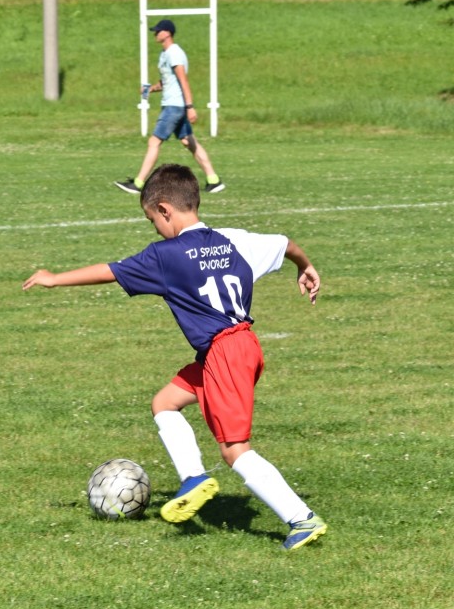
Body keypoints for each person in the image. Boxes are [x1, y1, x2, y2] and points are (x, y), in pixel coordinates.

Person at [24, 164, 327, 550]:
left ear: (165, 209)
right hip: (240, 347)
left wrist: (54, 278)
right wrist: (305, 266)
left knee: (235, 450)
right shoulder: (233, 240)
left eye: (153, 220)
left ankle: (301, 519)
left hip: (224, 353)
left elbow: (110, 271)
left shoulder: (165, 255)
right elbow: (285, 244)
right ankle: (193, 478)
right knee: (165, 402)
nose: (155, 229)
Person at [115, 19, 225, 196]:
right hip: (174, 104)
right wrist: (151, 89)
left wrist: (190, 106)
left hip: (174, 106)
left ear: (167, 33)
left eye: (158, 31)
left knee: (154, 142)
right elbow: (168, 81)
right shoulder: (165, 54)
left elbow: (183, 80)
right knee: (188, 141)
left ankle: (138, 183)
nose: (155, 34)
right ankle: (214, 180)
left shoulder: (174, 53)